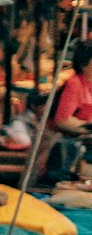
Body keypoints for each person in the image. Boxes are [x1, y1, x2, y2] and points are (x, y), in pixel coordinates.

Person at [36, 40, 92, 185]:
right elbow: (62, 120)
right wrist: (88, 127)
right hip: (57, 147)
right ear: (84, 64)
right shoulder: (75, 84)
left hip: (75, 146)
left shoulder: (88, 84)